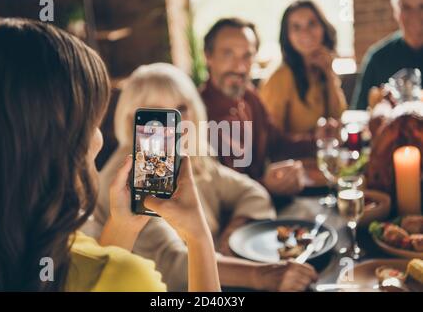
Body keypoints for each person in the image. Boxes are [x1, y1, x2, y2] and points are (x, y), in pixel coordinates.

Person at [0, 17, 219, 292]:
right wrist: (199, 238)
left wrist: (123, 226)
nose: (99, 141)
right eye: (91, 123)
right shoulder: (128, 277)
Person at [82, 63, 318, 292]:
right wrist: (261, 275)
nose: (173, 123)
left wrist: (232, 233)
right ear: (131, 119)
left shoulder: (191, 157)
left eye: (181, 109)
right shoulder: (126, 179)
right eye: (158, 112)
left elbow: (251, 193)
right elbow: (172, 262)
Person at [201, 18, 316, 196]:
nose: (240, 67)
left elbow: (278, 143)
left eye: (247, 56)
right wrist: (265, 186)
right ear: (208, 56)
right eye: (228, 54)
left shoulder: (249, 97)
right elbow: (212, 193)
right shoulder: (196, 114)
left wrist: (320, 140)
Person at [260, 0, 347, 134]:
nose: (305, 32)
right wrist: (313, 138)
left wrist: (329, 73)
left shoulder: (320, 69)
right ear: (287, 36)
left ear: (323, 27)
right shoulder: (280, 77)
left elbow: (338, 116)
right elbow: (271, 139)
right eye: (296, 27)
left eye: (312, 24)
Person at [351, 0, 423, 110]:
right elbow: (359, 112)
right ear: (396, 11)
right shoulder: (377, 58)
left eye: (422, 7)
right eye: (406, 8)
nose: (414, 15)